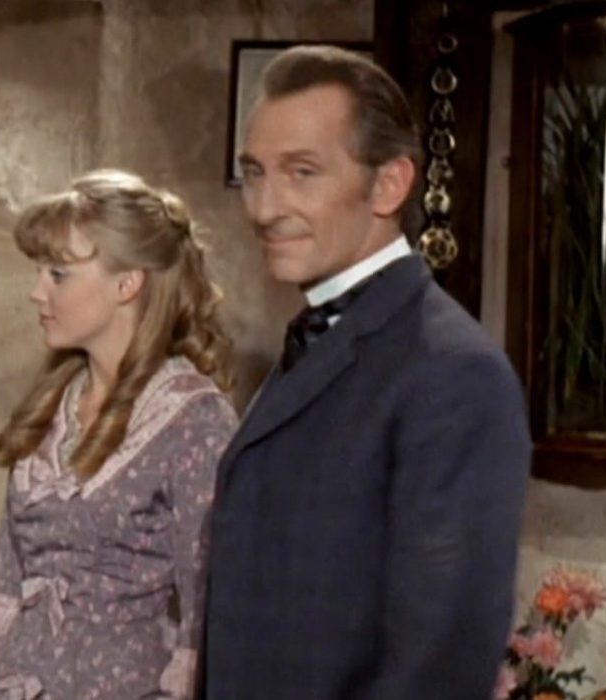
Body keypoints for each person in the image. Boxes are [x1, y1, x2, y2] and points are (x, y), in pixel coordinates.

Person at [202, 45, 531, 700]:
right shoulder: (322, 335)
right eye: (255, 173)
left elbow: (439, 665)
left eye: (302, 172)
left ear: (390, 184)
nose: (264, 207)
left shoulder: (453, 373)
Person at [0, 169, 237, 700]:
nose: (37, 292)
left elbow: (207, 610)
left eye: (58, 274)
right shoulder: (53, 406)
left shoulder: (192, 421)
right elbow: (6, 581)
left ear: (127, 283)